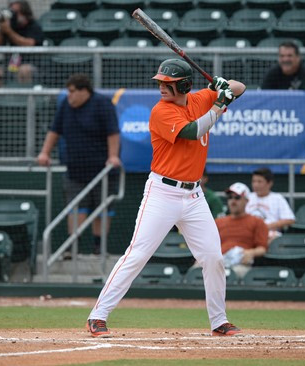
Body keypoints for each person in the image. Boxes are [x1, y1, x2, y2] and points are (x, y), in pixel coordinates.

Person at [85, 59, 246, 338]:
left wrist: (222, 86)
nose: (161, 87)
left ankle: (219, 320)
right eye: (160, 82)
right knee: (137, 255)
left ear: (184, 85)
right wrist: (220, 103)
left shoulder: (199, 98)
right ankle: (97, 316)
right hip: (162, 193)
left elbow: (239, 87)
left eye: (168, 84)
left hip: (194, 195)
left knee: (212, 257)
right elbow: (193, 131)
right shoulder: (161, 111)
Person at [37, 74, 121, 255]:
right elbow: (54, 131)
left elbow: (113, 133)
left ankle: (99, 247)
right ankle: (72, 247)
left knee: (103, 207)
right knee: (75, 206)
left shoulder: (103, 104)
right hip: (75, 169)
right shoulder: (65, 106)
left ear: (85, 91)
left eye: (73, 91)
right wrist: (44, 152)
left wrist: (113, 156)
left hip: (103, 171)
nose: (69, 95)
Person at [0, 0, 44, 87]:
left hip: (31, 65)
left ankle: (24, 99)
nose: (13, 15)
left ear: (24, 13)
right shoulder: (10, 26)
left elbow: (28, 44)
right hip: (11, 65)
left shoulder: (34, 26)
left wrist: (9, 31)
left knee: (24, 70)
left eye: (16, 13)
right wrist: (2, 29)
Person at [217, 182, 268, 278]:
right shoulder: (218, 222)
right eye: (230, 198)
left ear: (246, 201)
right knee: (196, 270)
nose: (233, 201)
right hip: (219, 261)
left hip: (240, 263)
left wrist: (251, 253)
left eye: (237, 198)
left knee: (236, 273)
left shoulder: (257, 222)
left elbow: (262, 248)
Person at [245, 168, 295, 242]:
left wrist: (267, 226)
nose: (255, 185)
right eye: (254, 181)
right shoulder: (247, 197)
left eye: (259, 182)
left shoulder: (277, 198)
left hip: (270, 235)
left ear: (269, 183)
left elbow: (290, 220)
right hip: (248, 234)